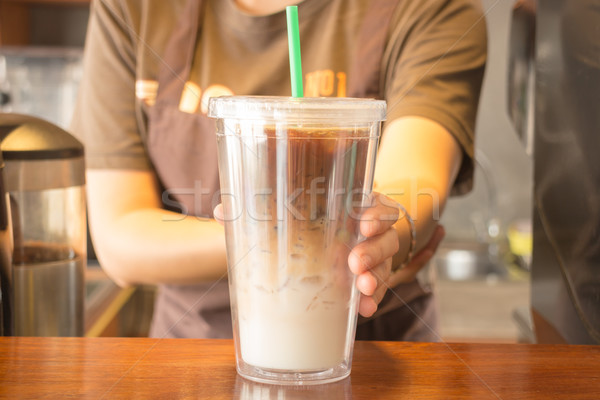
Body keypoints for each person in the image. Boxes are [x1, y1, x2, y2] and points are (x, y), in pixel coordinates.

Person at [71, 0, 487, 341]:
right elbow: (120, 235)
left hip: (373, 349)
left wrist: (383, 239)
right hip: (192, 354)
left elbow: (412, 186)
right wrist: (312, 240)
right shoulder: (132, 7)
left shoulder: (430, 8)